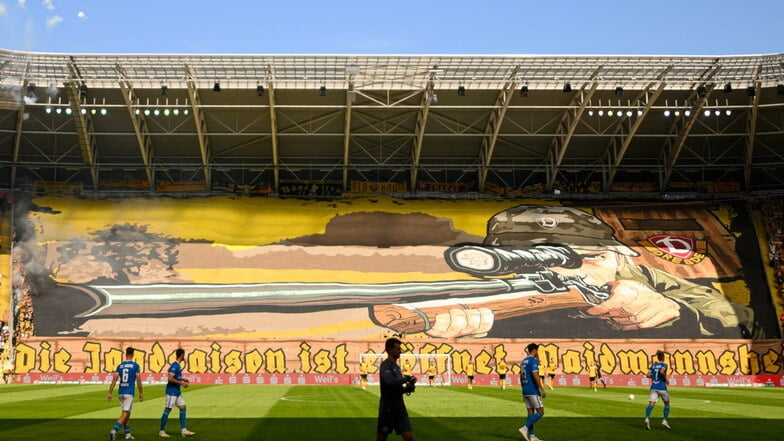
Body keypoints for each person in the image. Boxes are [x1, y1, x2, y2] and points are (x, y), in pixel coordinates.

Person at [434, 205, 762, 339]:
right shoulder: (508, 293)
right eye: (534, 259)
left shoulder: (642, 277)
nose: (561, 269)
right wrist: (474, 332)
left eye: (589, 257)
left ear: (620, 259)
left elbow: (743, 320)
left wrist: (678, 313)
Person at [376, 337, 416, 441]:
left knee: (409, 438)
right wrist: (407, 378)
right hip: (387, 409)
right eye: (398, 349)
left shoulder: (397, 367)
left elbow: (397, 388)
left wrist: (408, 388)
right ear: (390, 350)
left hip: (399, 408)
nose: (400, 351)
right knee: (381, 439)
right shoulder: (385, 366)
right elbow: (391, 382)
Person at [107, 347, 143, 440]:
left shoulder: (120, 366)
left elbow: (114, 379)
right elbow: (138, 380)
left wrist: (110, 392)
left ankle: (127, 434)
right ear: (133, 354)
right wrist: (141, 393)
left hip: (120, 392)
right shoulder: (135, 366)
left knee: (126, 413)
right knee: (125, 413)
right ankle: (114, 431)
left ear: (126, 354)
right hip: (129, 392)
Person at [159, 348, 196, 438]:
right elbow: (170, 378)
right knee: (167, 409)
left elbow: (176, 376)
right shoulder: (175, 366)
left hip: (177, 391)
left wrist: (183, 379)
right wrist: (182, 383)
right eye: (184, 355)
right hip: (171, 392)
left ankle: (184, 430)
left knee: (183, 408)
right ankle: (161, 431)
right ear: (182, 355)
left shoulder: (177, 365)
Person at [518, 343, 545, 441]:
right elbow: (535, 374)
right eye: (537, 350)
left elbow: (521, 376)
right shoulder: (533, 361)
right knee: (541, 412)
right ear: (534, 350)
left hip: (525, 390)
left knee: (530, 413)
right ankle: (525, 428)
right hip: (533, 390)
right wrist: (541, 388)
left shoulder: (523, 361)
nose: (538, 353)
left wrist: (523, 390)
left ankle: (532, 436)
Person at [644, 350, 671, 430]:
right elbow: (662, 371)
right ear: (663, 357)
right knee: (667, 404)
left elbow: (648, 375)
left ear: (658, 357)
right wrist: (666, 379)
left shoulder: (653, 365)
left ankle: (647, 418)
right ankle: (665, 420)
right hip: (662, 387)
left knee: (651, 404)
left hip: (653, 387)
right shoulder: (664, 365)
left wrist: (653, 377)